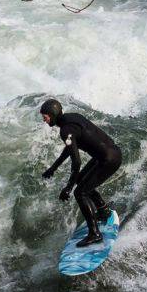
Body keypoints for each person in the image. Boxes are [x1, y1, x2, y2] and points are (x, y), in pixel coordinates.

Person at [39, 98, 121, 247]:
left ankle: (95, 234)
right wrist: (53, 168)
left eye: (45, 117)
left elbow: (76, 162)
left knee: (80, 193)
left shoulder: (65, 130)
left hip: (108, 160)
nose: (44, 120)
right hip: (110, 154)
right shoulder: (72, 118)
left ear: (52, 114)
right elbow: (70, 148)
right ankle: (103, 211)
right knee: (82, 181)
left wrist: (69, 188)